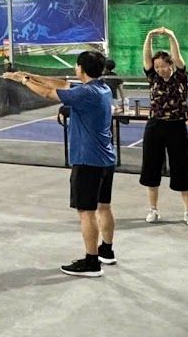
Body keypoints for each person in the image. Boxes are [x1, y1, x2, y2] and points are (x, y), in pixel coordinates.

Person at [7, 51, 118, 278]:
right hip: (105, 160)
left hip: (87, 161)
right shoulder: (102, 88)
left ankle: (91, 262)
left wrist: (24, 81)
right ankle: (106, 251)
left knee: (86, 212)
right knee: (104, 206)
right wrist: (30, 74)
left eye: (76, 66)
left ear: (81, 69)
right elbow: (62, 84)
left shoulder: (84, 93)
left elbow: (49, 93)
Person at [141, 27, 188, 226]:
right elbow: (146, 58)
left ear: (171, 64)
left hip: (176, 128)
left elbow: (177, 55)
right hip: (155, 127)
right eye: (157, 67)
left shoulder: (180, 76)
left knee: (182, 168)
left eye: (163, 66)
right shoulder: (153, 78)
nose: (160, 69)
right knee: (151, 168)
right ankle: (153, 210)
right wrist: (149, 36)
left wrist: (171, 36)